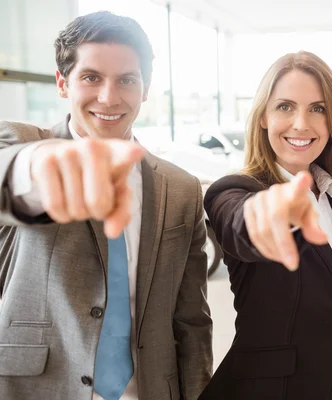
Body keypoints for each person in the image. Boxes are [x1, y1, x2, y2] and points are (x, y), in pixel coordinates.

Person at [0, 11, 212, 400]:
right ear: (63, 83)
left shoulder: (181, 189)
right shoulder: (24, 145)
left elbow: (191, 322)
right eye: (91, 77)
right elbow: (6, 175)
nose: (109, 98)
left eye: (126, 80)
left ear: (145, 88)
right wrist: (37, 167)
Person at [200, 51, 332, 400]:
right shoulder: (235, 191)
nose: (301, 123)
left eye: (318, 108)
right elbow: (241, 223)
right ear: (264, 118)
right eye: (285, 106)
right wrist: (268, 212)